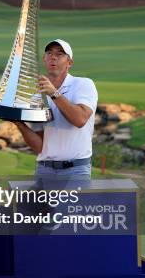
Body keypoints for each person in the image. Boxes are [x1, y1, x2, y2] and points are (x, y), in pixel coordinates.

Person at [12, 39, 98, 178]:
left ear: (69, 63)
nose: (53, 57)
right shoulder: (36, 96)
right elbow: (40, 146)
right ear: (44, 59)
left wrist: (54, 93)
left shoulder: (83, 84)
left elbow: (80, 119)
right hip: (44, 170)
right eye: (49, 53)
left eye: (59, 54)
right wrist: (19, 123)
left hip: (75, 169)